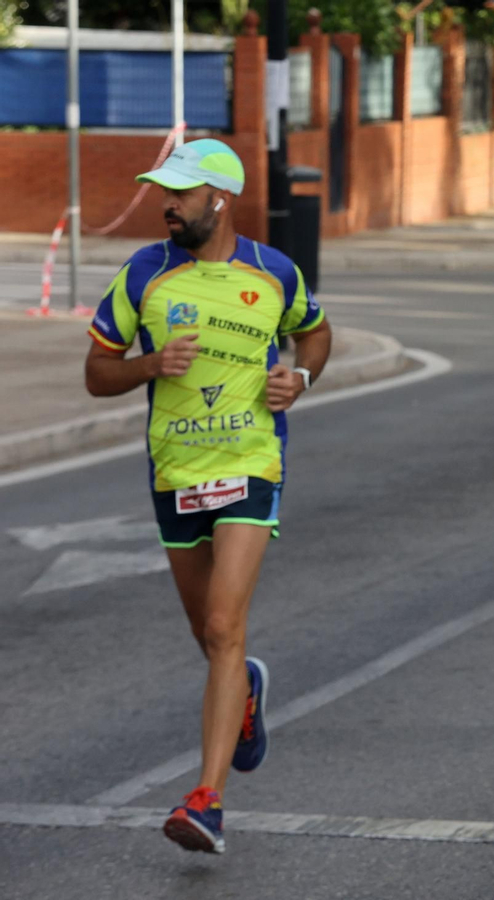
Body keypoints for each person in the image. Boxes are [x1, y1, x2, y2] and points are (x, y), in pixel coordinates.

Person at [84, 139, 331, 853]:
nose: (167, 204)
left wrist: (301, 378)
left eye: (181, 193)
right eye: (166, 191)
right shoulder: (144, 274)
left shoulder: (273, 272)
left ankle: (207, 801)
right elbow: (97, 372)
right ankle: (244, 687)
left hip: (251, 463)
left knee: (224, 624)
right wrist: (150, 365)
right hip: (174, 472)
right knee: (210, 635)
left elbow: (315, 335)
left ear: (219, 200)